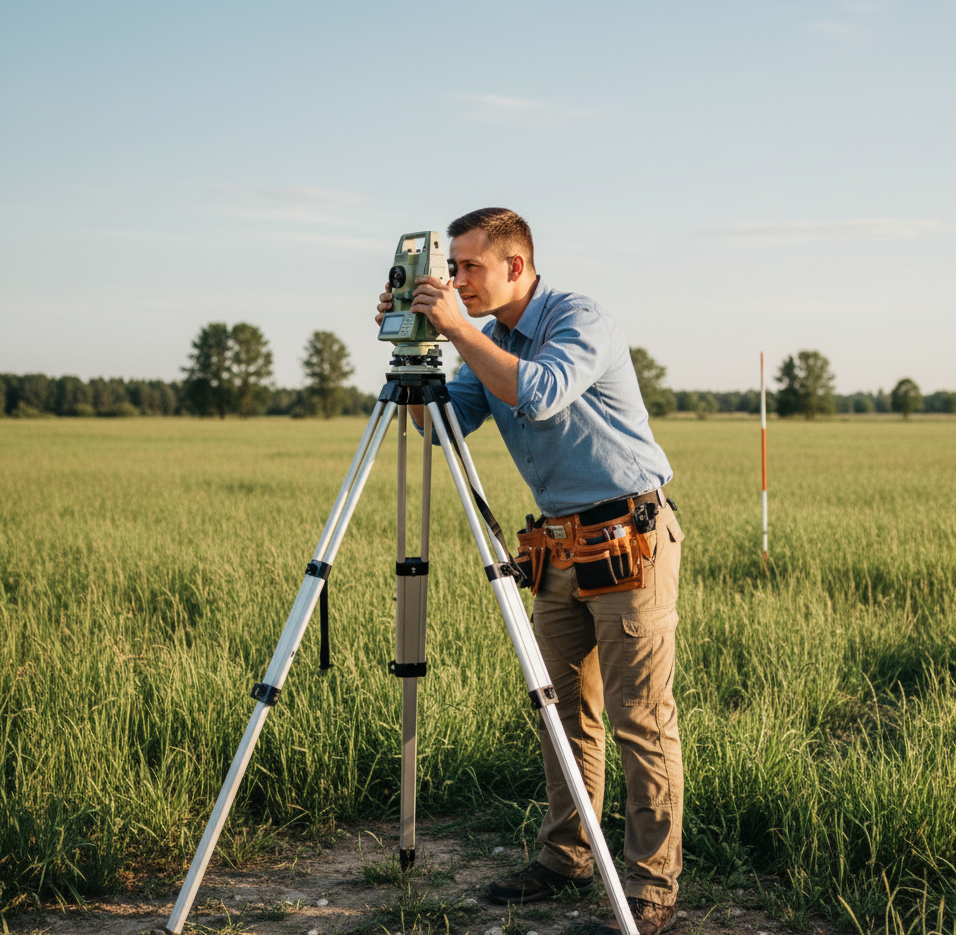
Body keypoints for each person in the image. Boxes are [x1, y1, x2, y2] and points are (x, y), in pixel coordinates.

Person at [375, 208, 684, 935]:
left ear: (517, 266)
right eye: (449, 267)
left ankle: (650, 882)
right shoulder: (487, 339)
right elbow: (443, 423)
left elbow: (540, 391)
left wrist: (456, 330)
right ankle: (569, 854)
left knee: (640, 718)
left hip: (628, 539)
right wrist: (412, 348)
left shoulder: (581, 319)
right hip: (557, 548)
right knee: (560, 709)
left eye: (468, 267)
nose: (454, 280)